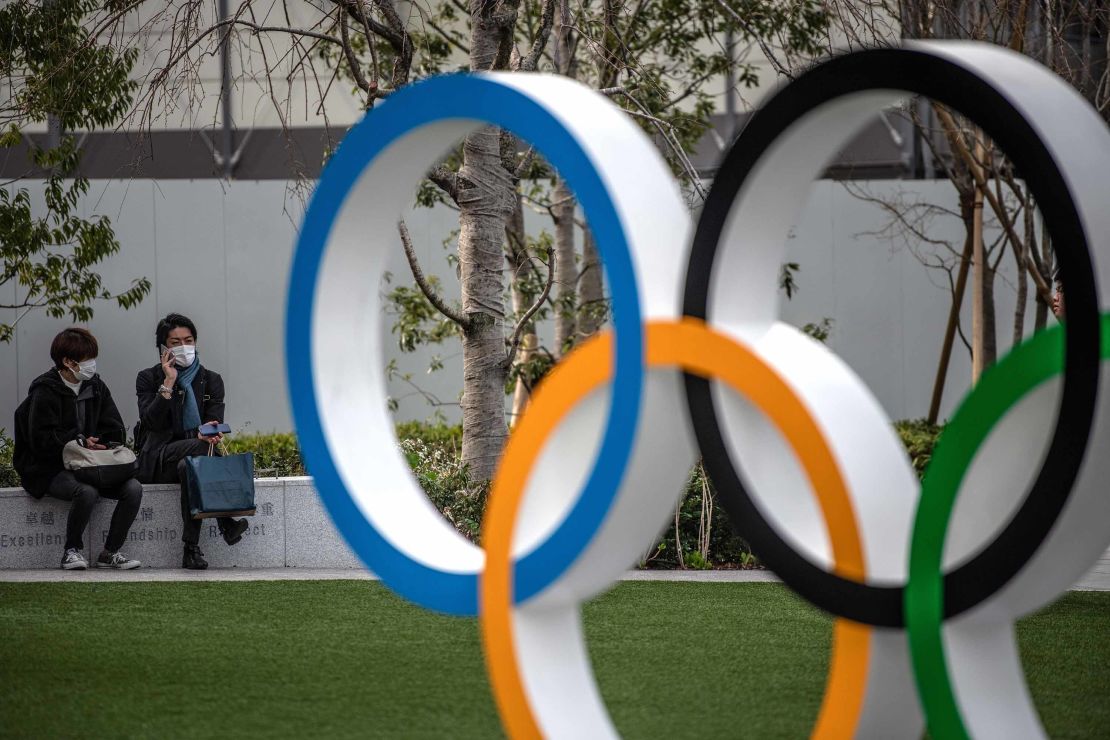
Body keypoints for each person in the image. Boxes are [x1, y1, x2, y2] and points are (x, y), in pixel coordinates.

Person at [18, 328, 142, 570]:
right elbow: (40, 439)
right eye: (86, 359)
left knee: (133, 488)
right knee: (86, 491)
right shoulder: (45, 390)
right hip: (51, 467)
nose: (91, 365)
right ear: (67, 362)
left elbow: (115, 429)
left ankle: (110, 552)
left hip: (92, 464)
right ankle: (71, 551)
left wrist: (100, 443)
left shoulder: (95, 386)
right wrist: (79, 442)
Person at [135, 313, 248, 570]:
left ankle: (191, 549)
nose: (184, 347)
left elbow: (214, 421)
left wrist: (212, 431)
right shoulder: (148, 378)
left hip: (193, 460)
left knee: (191, 466)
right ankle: (226, 522)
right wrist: (168, 382)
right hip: (159, 458)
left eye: (188, 340)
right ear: (163, 348)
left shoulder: (211, 380)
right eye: (175, 342)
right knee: (199, 450)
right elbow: (150, 423)